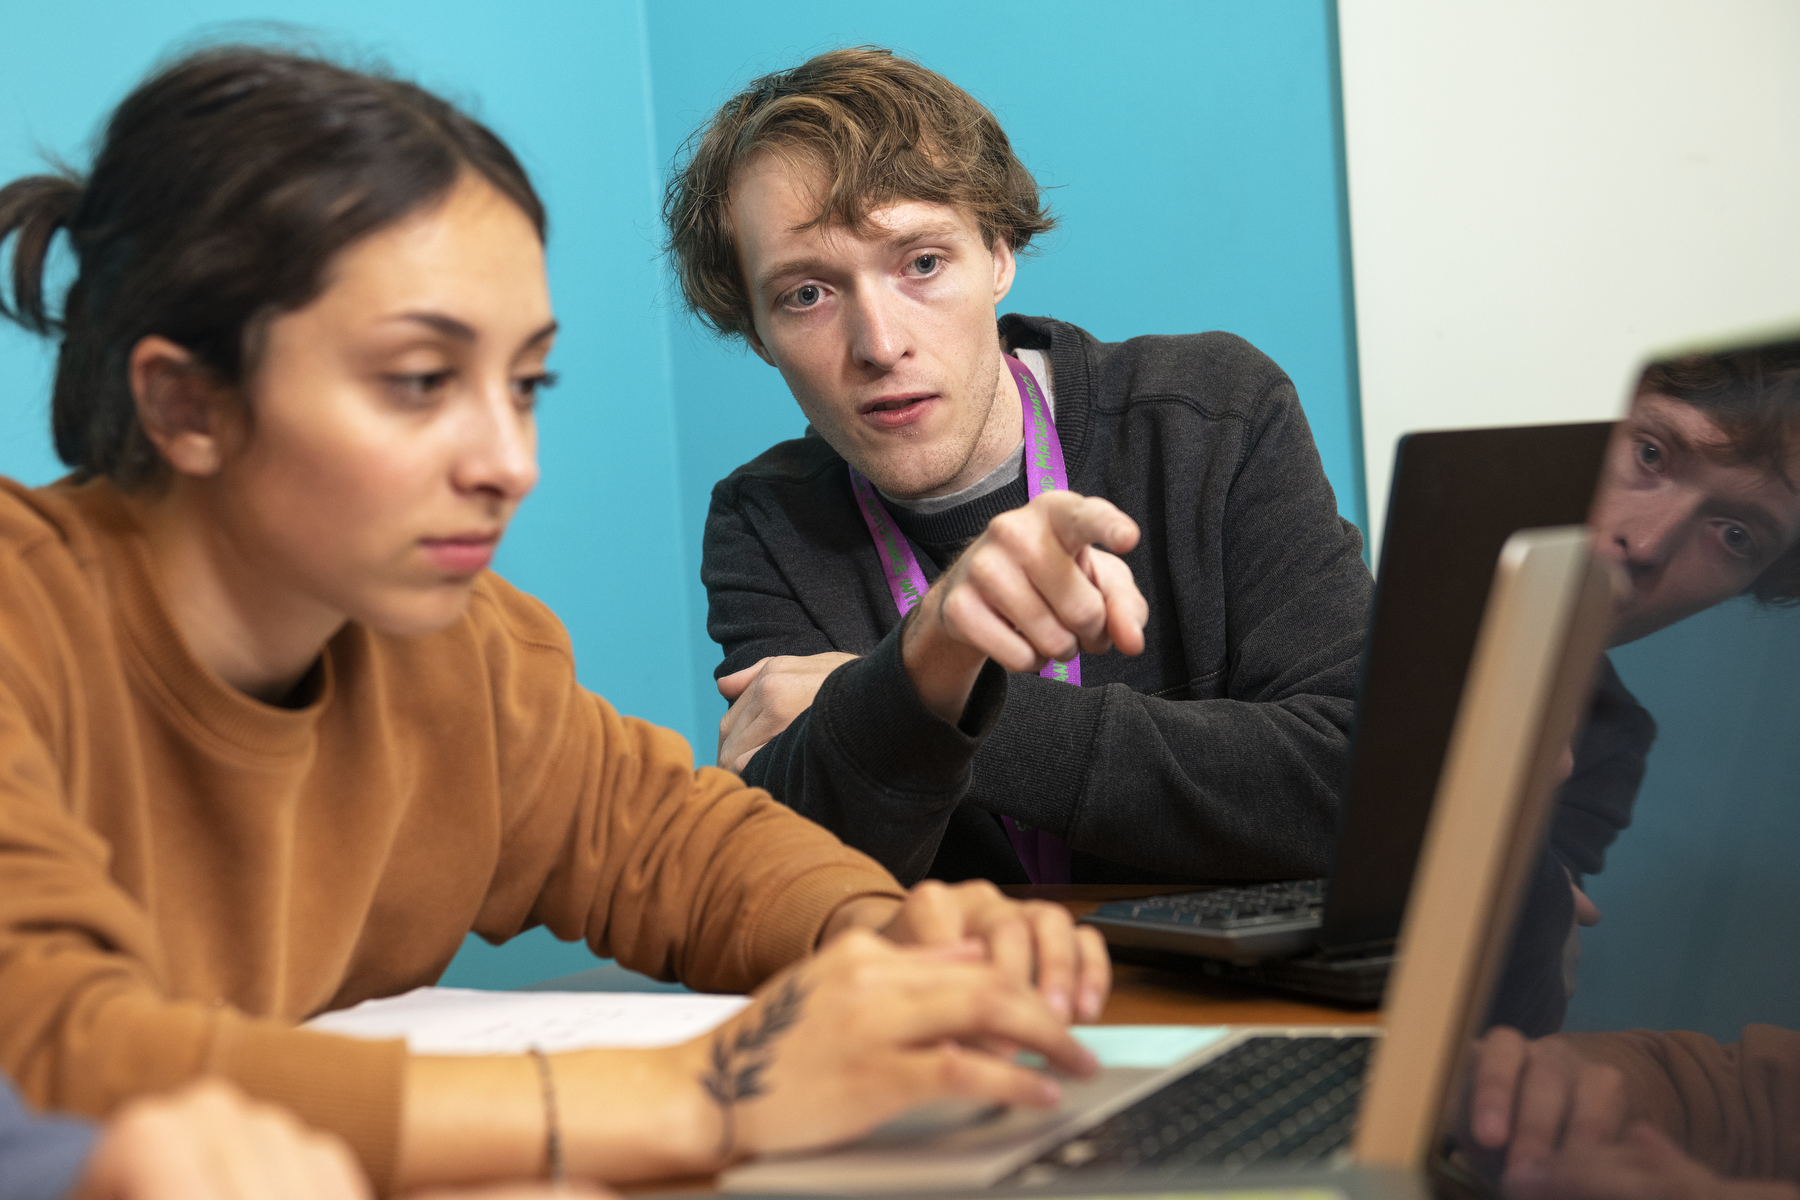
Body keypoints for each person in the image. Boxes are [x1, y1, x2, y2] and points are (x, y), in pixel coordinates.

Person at [0, 46, 1111, 1196]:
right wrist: (698, 1096)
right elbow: (46, 1059)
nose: (508, 463)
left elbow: (675, 845)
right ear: (187, 404)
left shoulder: (460, 655)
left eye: (523, 385)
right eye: (421, 381)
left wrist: (881, 948)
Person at [665, 46, 1374, 886]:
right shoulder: (766, 520)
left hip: (1227, 1008)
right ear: (756, 333)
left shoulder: (1210, 417)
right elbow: (792, 883)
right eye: (806, 295)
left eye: (922, 264)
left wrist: (910, 693)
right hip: (969, 1010)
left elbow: (1356, 790)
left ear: (1000, 255)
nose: (880, 344)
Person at [1446, 341, 1800, 1197]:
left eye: (1735, 535)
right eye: (1650, 453)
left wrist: (1519, 863)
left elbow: (1506, 1030)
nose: (1644, 543)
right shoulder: (1328, 593)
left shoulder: (1609, 740)